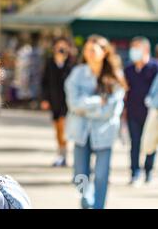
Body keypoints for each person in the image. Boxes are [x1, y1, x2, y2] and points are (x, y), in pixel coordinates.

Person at [65, 35, 126, 209]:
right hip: (80, 132)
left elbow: (112, 109)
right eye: (87, 50)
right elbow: (73, 103)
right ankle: (86, 201)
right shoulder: (77, 74)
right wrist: (98, 102)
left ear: (104, 52)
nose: (89, 53)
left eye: (93, 50)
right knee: (80, 175)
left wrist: (85, 107)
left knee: (101, 175)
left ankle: (98, 206)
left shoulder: (115, 76)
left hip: (104, 133)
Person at [124, 37, 158, 185]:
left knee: (150, 142)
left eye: (137, 48)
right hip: (133, 111)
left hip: (152, 113)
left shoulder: (155, 67)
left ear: (145, 49)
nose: (134, 51)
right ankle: (135, 172)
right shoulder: (129, 69)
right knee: (135, 143)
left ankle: (148, 171)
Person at [41, 37, 75, 167]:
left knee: (63, 126)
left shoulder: (71, 63)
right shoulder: (50, 62)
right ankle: (60, 153)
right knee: (57, 128)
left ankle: (63, 154)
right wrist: (44, 99)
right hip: (54, 99)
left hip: (67, 101)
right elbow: (44, 81)